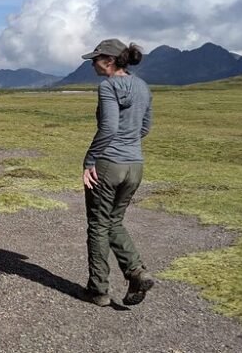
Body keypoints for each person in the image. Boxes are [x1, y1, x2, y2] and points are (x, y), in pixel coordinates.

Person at [80, 39, 155, 307]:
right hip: (135, 165)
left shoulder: (108, 86)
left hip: (108, 164)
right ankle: (136, 272)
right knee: (114, 221)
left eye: (95, 59)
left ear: (109, 61)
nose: (91, 64)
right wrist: (129, 144)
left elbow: (109, 127)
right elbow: (145, 127)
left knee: (99, 225)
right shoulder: (143, 86)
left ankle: (98, 290)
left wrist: (90, 160)